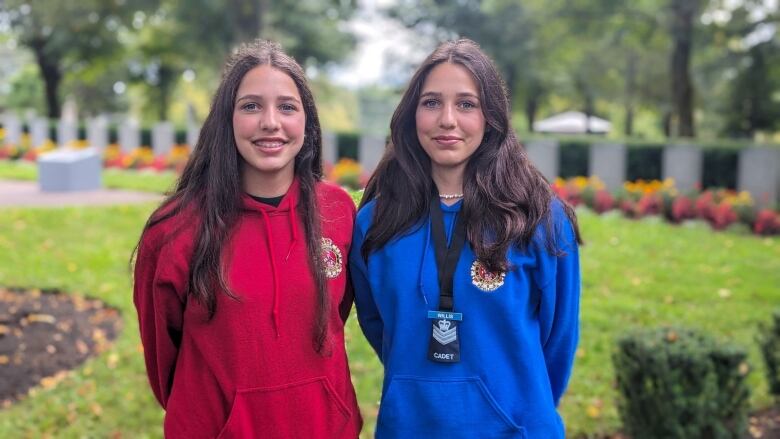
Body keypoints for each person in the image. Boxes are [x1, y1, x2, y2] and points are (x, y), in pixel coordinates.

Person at [350, 39, 581, 439]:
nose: (447, 120)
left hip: (516, 428)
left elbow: (558, 339)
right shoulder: (375, 223)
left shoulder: (539, 218)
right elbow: (378, 325)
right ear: (411, 114)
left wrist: (518, 402)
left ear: (491, 116)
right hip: (409, 427)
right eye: (431, 102)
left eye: (466, 104)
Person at [133, 40, 362, 439]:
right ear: (228, 118)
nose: (270, 122)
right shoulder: (174, 229)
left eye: (287, 107)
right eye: (251, 106)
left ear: (306, 122)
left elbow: (332, 316)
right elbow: (161, 352)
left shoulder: (338, 210)